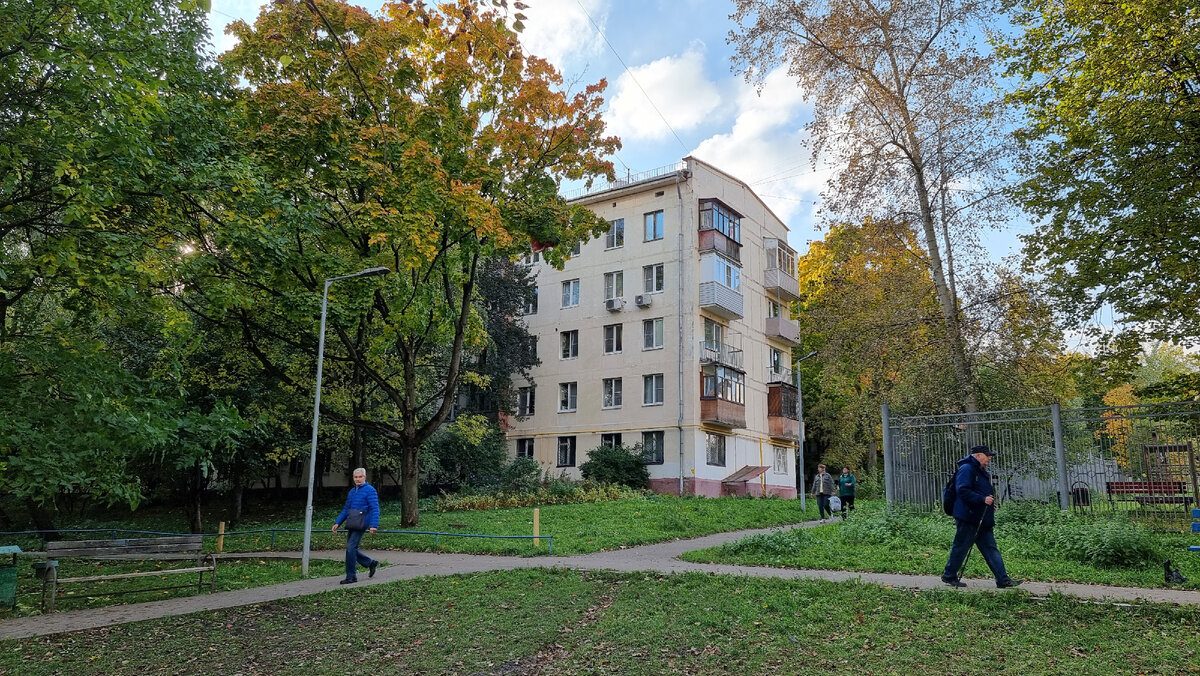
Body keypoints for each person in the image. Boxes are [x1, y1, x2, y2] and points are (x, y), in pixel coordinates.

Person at [941, 445, 1021, 588]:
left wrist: (989, 505)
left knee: (990, 548)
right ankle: (949, 575)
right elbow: (963, 490)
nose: (989, 458)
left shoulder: (978, 470)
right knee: (961, 547)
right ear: (977, 455)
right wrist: (982, 500)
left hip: (980, 517)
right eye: (987, 455)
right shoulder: (967, 469)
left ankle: (1003, 579)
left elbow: (978, 490)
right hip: (968, 516)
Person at [332, 467, 380, 584]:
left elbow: (375, 508)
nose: (358, 479)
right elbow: (346, 509)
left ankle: (351, 576)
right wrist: (337, 522)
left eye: (360, 477)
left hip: (362, 522)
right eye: (355, 477)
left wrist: (373, 525)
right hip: (352, 521)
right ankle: (370, 563)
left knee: (350, 548)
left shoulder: (370, 490)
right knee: (351, 549)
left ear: (365, 477)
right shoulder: (352, 491)